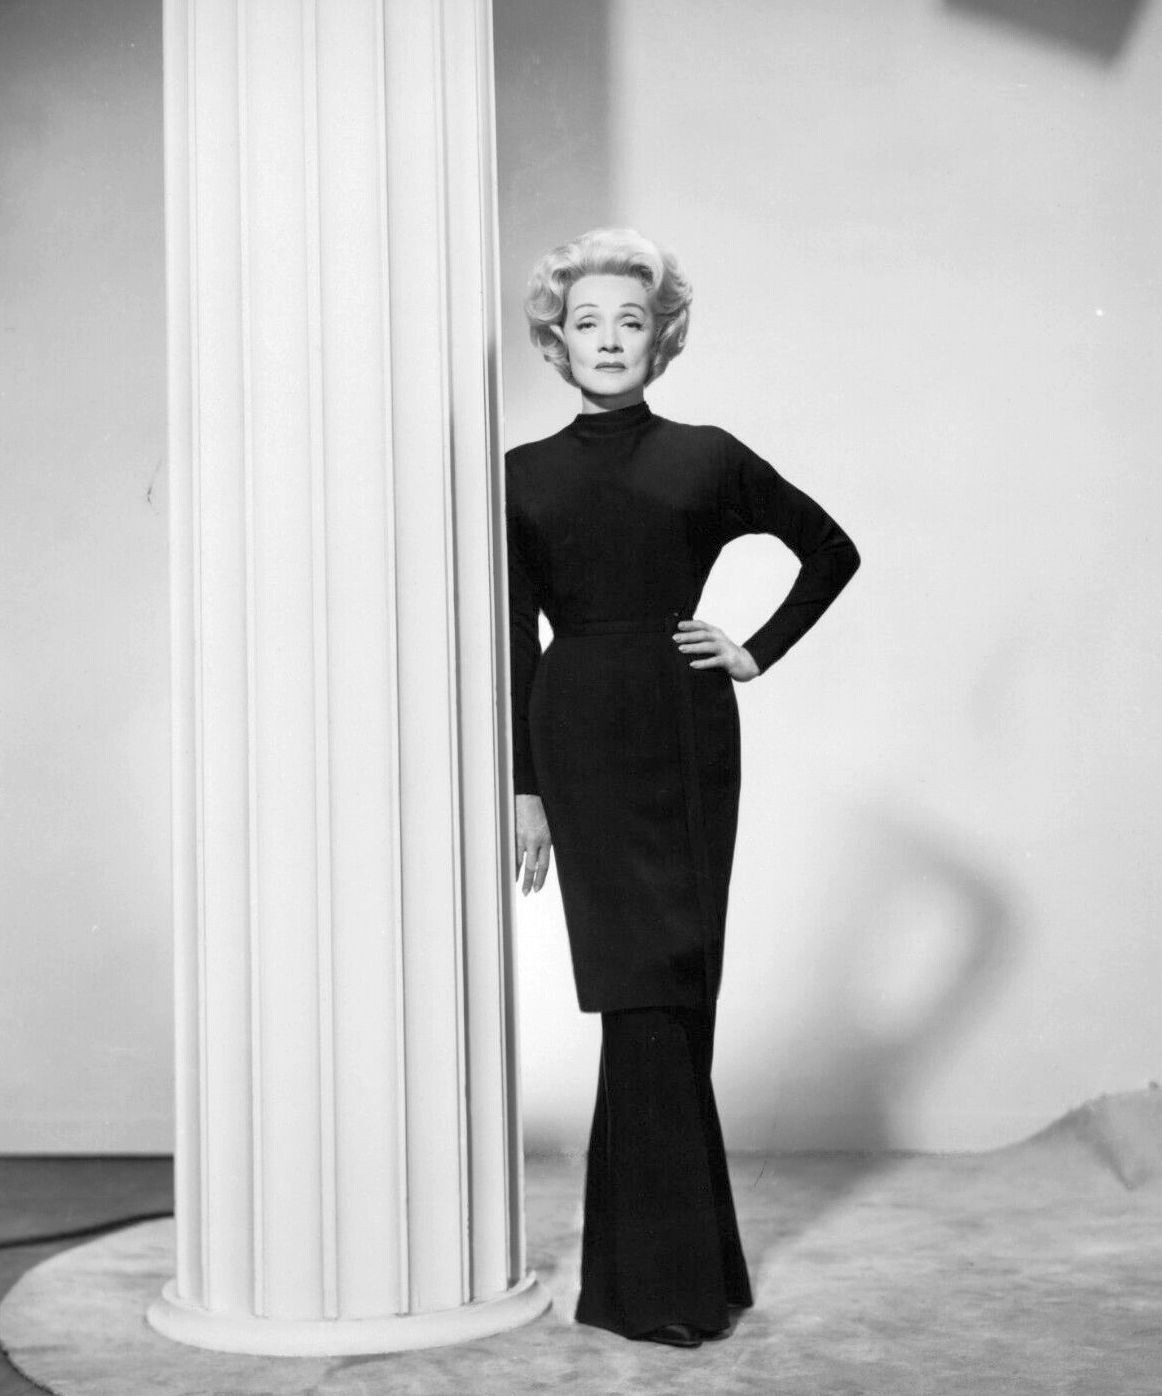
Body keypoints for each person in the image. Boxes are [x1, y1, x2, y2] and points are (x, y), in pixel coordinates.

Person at [506, 227, 860, 1349]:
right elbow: (514, 641)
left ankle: (668, 1276)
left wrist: (755, 649)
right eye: (587, 322)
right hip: (578, 737)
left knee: (675, 994)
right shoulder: (519, 475)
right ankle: (665, 1285)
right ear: (557, 344)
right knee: (639, 993)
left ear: (660, 339)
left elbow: (831, 549)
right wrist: (524, 788)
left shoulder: (706, 457)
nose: (610, 339)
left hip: (686, 731)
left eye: (631, 320)